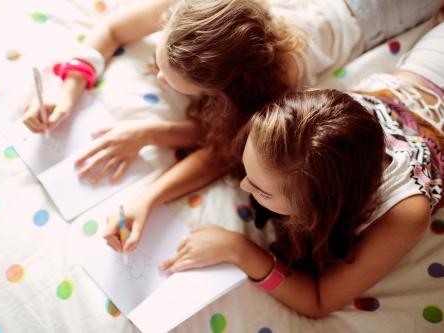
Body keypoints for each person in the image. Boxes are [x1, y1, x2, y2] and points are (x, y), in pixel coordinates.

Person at [156, 23, 444, 317]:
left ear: (323, 203)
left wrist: (239, 250)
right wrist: (150, 183)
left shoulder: (404, 212)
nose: (244, 187)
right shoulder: (300, 121)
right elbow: (219, 150)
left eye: (261, 190)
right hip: (423, 68)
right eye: (248, 171)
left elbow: (319, 301)